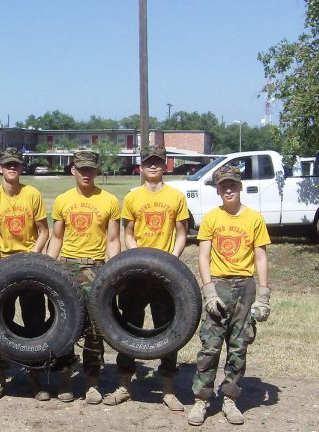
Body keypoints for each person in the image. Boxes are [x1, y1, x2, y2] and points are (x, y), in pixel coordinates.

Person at [187, 165, 272, 426]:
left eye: (232, 184)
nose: (228, 189)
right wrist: (209, 291)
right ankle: (201, 400)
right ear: (218, 190)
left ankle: (230, 399)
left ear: (240, 186)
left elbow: (260, 256)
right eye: (223, 185)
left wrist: (264, 296)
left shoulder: (254, 219)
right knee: (210, 346)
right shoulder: (212, 218)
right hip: (219, 286)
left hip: (245, 287)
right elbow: (203, 255)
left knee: (238, 347)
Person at [107, 145, 188, 411]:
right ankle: (124, 385)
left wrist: (171, 261)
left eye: (158, 162)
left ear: (165, 166)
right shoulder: (132, 198)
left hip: (166, 276)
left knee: (169, 328)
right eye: (148, 163)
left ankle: (167, 388)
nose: (153, 166)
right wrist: (138, 257)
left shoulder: (176, 197)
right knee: (129, 327)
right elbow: (128, 233)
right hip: (137, 274)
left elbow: (181, 233)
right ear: (141, 167)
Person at [46, 150, 120, 403]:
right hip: (67, 268)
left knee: (95, 329)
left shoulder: (109, 200)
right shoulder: (63, 200)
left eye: (91, 169)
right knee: (64, 326)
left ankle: (92, 382)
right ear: (73, 170)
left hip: (97, 268)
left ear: (96, 171)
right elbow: (56, 238)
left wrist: (112, 272)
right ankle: (65, 379)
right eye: (82, 169)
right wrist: (49, 269)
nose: (86, 173)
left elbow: (113, 240)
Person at [0, 147, 49, 402]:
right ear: (0, 168)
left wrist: (32, 257)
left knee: (34, 322)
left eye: (16, 165)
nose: (12, 168)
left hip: (30, 264)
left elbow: (43, 231)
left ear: (21, 168)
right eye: (8, 165)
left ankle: (35, 378)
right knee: (0, 323)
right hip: (5, 267)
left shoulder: (32, 194)